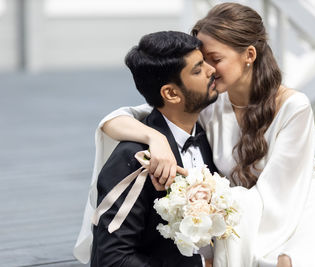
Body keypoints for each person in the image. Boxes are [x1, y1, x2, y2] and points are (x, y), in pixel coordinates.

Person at [86, 3, 315, 267]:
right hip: (243, 216)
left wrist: (205, 199)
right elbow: (117, 119)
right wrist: (155, 139)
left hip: (300, 209)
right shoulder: (211, 102)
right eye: (202, 61)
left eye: (215, 59)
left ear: (249, 56)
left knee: (291, 260)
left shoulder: (293, 107)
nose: (208, 70)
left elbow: (278, 199)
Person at [76, 31, 220, 266]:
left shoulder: (211, 135)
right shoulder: (135, 159)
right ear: (171, 93)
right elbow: (112, 259)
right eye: (197, 69)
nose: (211, 70)